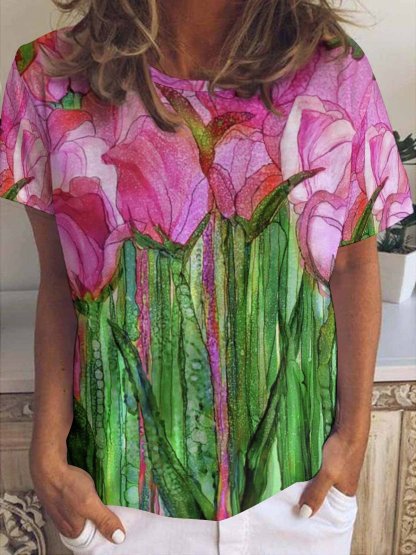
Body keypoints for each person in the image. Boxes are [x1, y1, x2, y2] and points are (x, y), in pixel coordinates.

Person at [0, 1, 413, 554]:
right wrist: (48, 455)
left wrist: (353, 439)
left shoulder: (333, 69)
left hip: (299, 496)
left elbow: (352, 263)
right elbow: (61, 279)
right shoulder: (48, 79)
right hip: (116, 502)